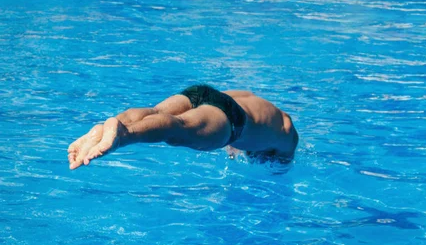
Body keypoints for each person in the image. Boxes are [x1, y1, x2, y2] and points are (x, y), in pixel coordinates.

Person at [67, 85, 299, 170]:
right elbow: (276, 165)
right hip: (232, 119)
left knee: (155, 112)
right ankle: (124, 135)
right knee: (180, 128)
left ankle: (112, 124)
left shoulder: (263, 107)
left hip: (206, 92)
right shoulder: (288, 140)